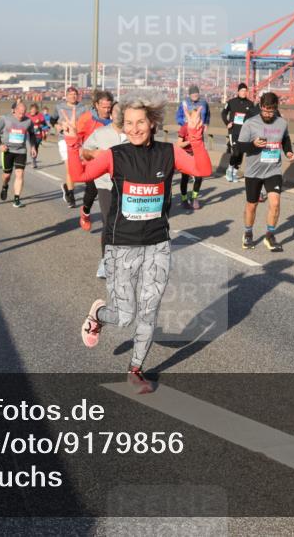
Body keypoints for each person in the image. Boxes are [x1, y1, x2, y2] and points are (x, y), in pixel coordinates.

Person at [64, 99, 212, 393]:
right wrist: (71, 144)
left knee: (149, 311)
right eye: (129, 123)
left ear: (152, 124)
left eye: (140, 122)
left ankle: (135, 370)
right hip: (122, 246)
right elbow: (81, 175)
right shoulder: (114, 156)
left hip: (157, 244)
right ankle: (98, 315)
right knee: (124, 315)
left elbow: (202, 170)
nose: (135, 129)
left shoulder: (168, 153)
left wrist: (195, 138)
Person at [236, 92, 294, 251]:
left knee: (275, 203)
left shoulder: (281, 123)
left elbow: (285, 139)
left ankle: (270, 235)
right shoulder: (250, 123)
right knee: (252, 206)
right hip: (253, 171)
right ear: (261, 107)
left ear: (276, 108)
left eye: (272, 111)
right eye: (266, 111)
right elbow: (240, 147)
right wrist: (253, 144)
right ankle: (248, 233)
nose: (268, 114)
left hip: (273, 170)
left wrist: (289, 152)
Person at [81, 105, 127, 278]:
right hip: (105, 183)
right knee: (109, 221)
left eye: (121, 111)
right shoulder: (100, 133)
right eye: (115, 111)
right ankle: (105, 261)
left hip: (126, 185)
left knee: (125, 223)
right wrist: (93, 153)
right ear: (111, 113)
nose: (118, 114)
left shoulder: (132, 133)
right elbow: (83, 152)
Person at [76, 91, 115, 231]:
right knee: (92, 191)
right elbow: (76, 139)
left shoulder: (116, 118)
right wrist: (83, 154)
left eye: (109, 107)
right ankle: (85, 211)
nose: (107, 110)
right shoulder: (86, 118)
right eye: (104, 107)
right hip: (91, 161)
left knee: (114, 191)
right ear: (96, 105)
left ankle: (113, 223)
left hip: (112, 163)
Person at [0, 101, 38, 208]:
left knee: (20, 174)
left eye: (23, 113)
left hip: (21, 151)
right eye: (19, 113)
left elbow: (32, 134)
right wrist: (0, 144)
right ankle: (5, 186)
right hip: (7, 150)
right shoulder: (6, 118)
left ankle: (16, 199)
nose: (21, 115)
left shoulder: (28, 121)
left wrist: (33, 146)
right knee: (7, 175)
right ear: (14, 110)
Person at [54, 86, 89, 208]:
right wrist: (56, 126)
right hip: (64, 140)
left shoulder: (83, 108)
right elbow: (53, 120)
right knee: (70, 167)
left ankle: (67, 187)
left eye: (75, 94)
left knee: (79, 168)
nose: (73, 96)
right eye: (70, 94)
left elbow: (87, 123)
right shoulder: (59, 107)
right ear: (66, 96)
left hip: (79, 140)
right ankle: (71, 195)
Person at [220, 82, 256, 182]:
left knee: (241, 153)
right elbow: (223, 113)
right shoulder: (231, 102)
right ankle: (229, 170)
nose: (244, 92)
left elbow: (253, 117)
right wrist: (227, 122)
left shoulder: (250, 104)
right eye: (242, 90)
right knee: (236, 151)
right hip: (234, 131)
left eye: (245, 91)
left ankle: (235, 172)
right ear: (238, 91)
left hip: (245, 133)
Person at [177, 123, 204, 210]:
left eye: (199, 118)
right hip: (185, 154)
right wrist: (190, 141)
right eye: (195, 117)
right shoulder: (184, 128)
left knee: (199, 177)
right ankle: (184, 199)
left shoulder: (200, 127)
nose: (198, 120)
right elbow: (179, 144)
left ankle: (194, 197)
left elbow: (201, 141)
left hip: (196, 154)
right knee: (185, 178)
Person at [26, 103, 48, 168]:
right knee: (32, 146)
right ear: (30, 110)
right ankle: (33, 161)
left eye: (34, 110)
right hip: (29, 134)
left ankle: (34, 159)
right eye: (32, 109)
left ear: (36, 110)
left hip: (38, 135)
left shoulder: (40, 115)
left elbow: (45, 124)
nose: (33, 111)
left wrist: (41, 126)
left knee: (36, 147)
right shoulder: (27, 115)